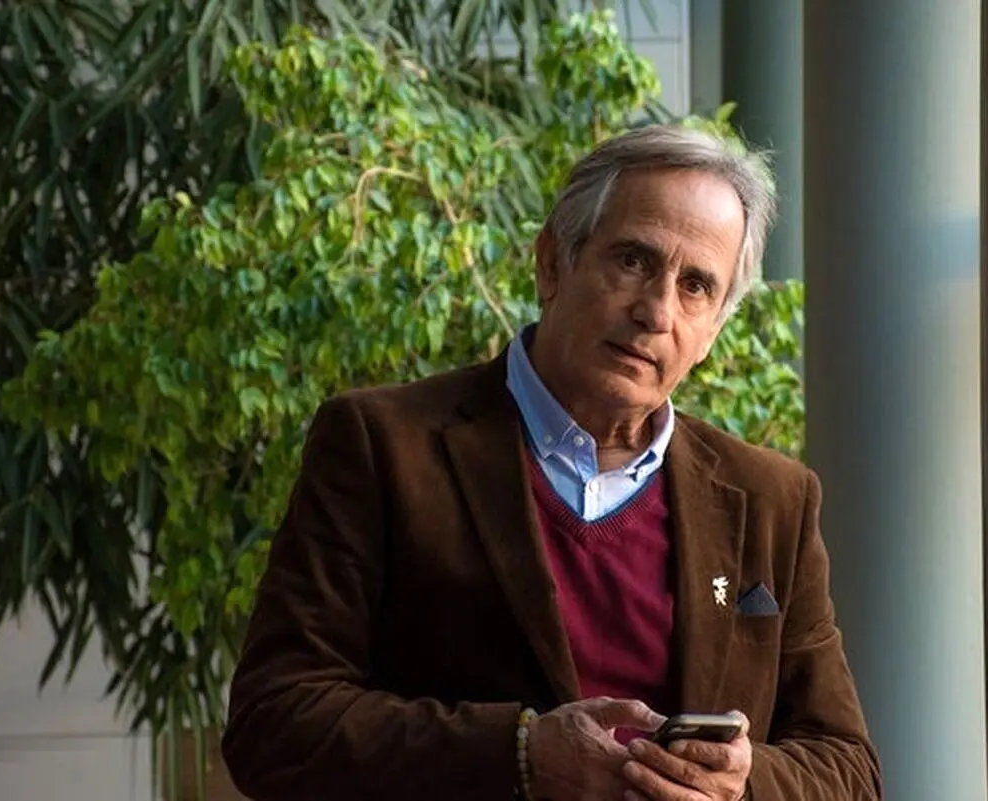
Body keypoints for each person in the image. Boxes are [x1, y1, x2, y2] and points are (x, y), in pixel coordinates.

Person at [221, 124, 881, 801]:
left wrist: (742, 784)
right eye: (633, 260)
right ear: (551, 264)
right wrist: (519, 754)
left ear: (713, 330)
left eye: (695, 286)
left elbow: (848, 767)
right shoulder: (383, 445)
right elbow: (275, 720)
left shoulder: (770, 498)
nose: (656, 311)